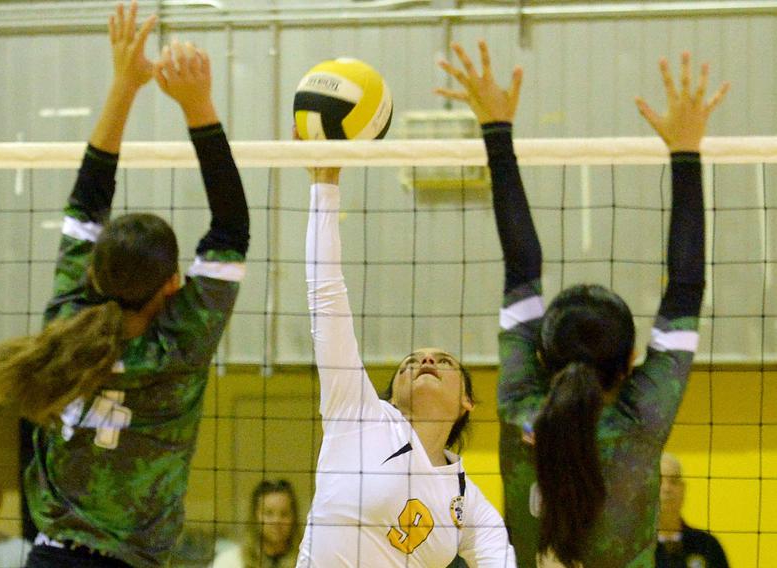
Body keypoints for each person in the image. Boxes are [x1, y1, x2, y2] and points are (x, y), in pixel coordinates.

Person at [437, 41, 728, 567]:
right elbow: (685, 288)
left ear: (544, 358)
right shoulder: (639, 420)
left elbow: (522, 268)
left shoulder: (521, 408)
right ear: (631, 361)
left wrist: (497, 133)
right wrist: (686, 153)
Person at [0, 2, 249, 566]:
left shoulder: (68, 321)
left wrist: (124, 86)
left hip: (50, 558)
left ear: (95, 272)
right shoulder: (181, 346)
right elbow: (232, 225)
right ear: (172, 285)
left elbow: (88, 196)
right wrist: (197, 106)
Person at [295, 160, 516, 567]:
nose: (427, 359)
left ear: (467, 401)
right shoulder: (359, 416)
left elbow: (499, 559)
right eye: (409, 362)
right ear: (393, 395)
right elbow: (325, 298)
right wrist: (324, 185)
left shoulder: (467, 500)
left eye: (444, 361)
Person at [656, 453, 729, 568]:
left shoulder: (707, 546)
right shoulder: (632, 551)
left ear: (683, 489)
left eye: (673, 481)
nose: (667, 489)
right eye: (659, 481)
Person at [211, 479, 301, 568]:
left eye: (284, 514)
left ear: (294, 518)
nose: (277, 520)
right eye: (268, 513)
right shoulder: (230, 562)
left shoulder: (307, 560)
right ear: (255, 516)